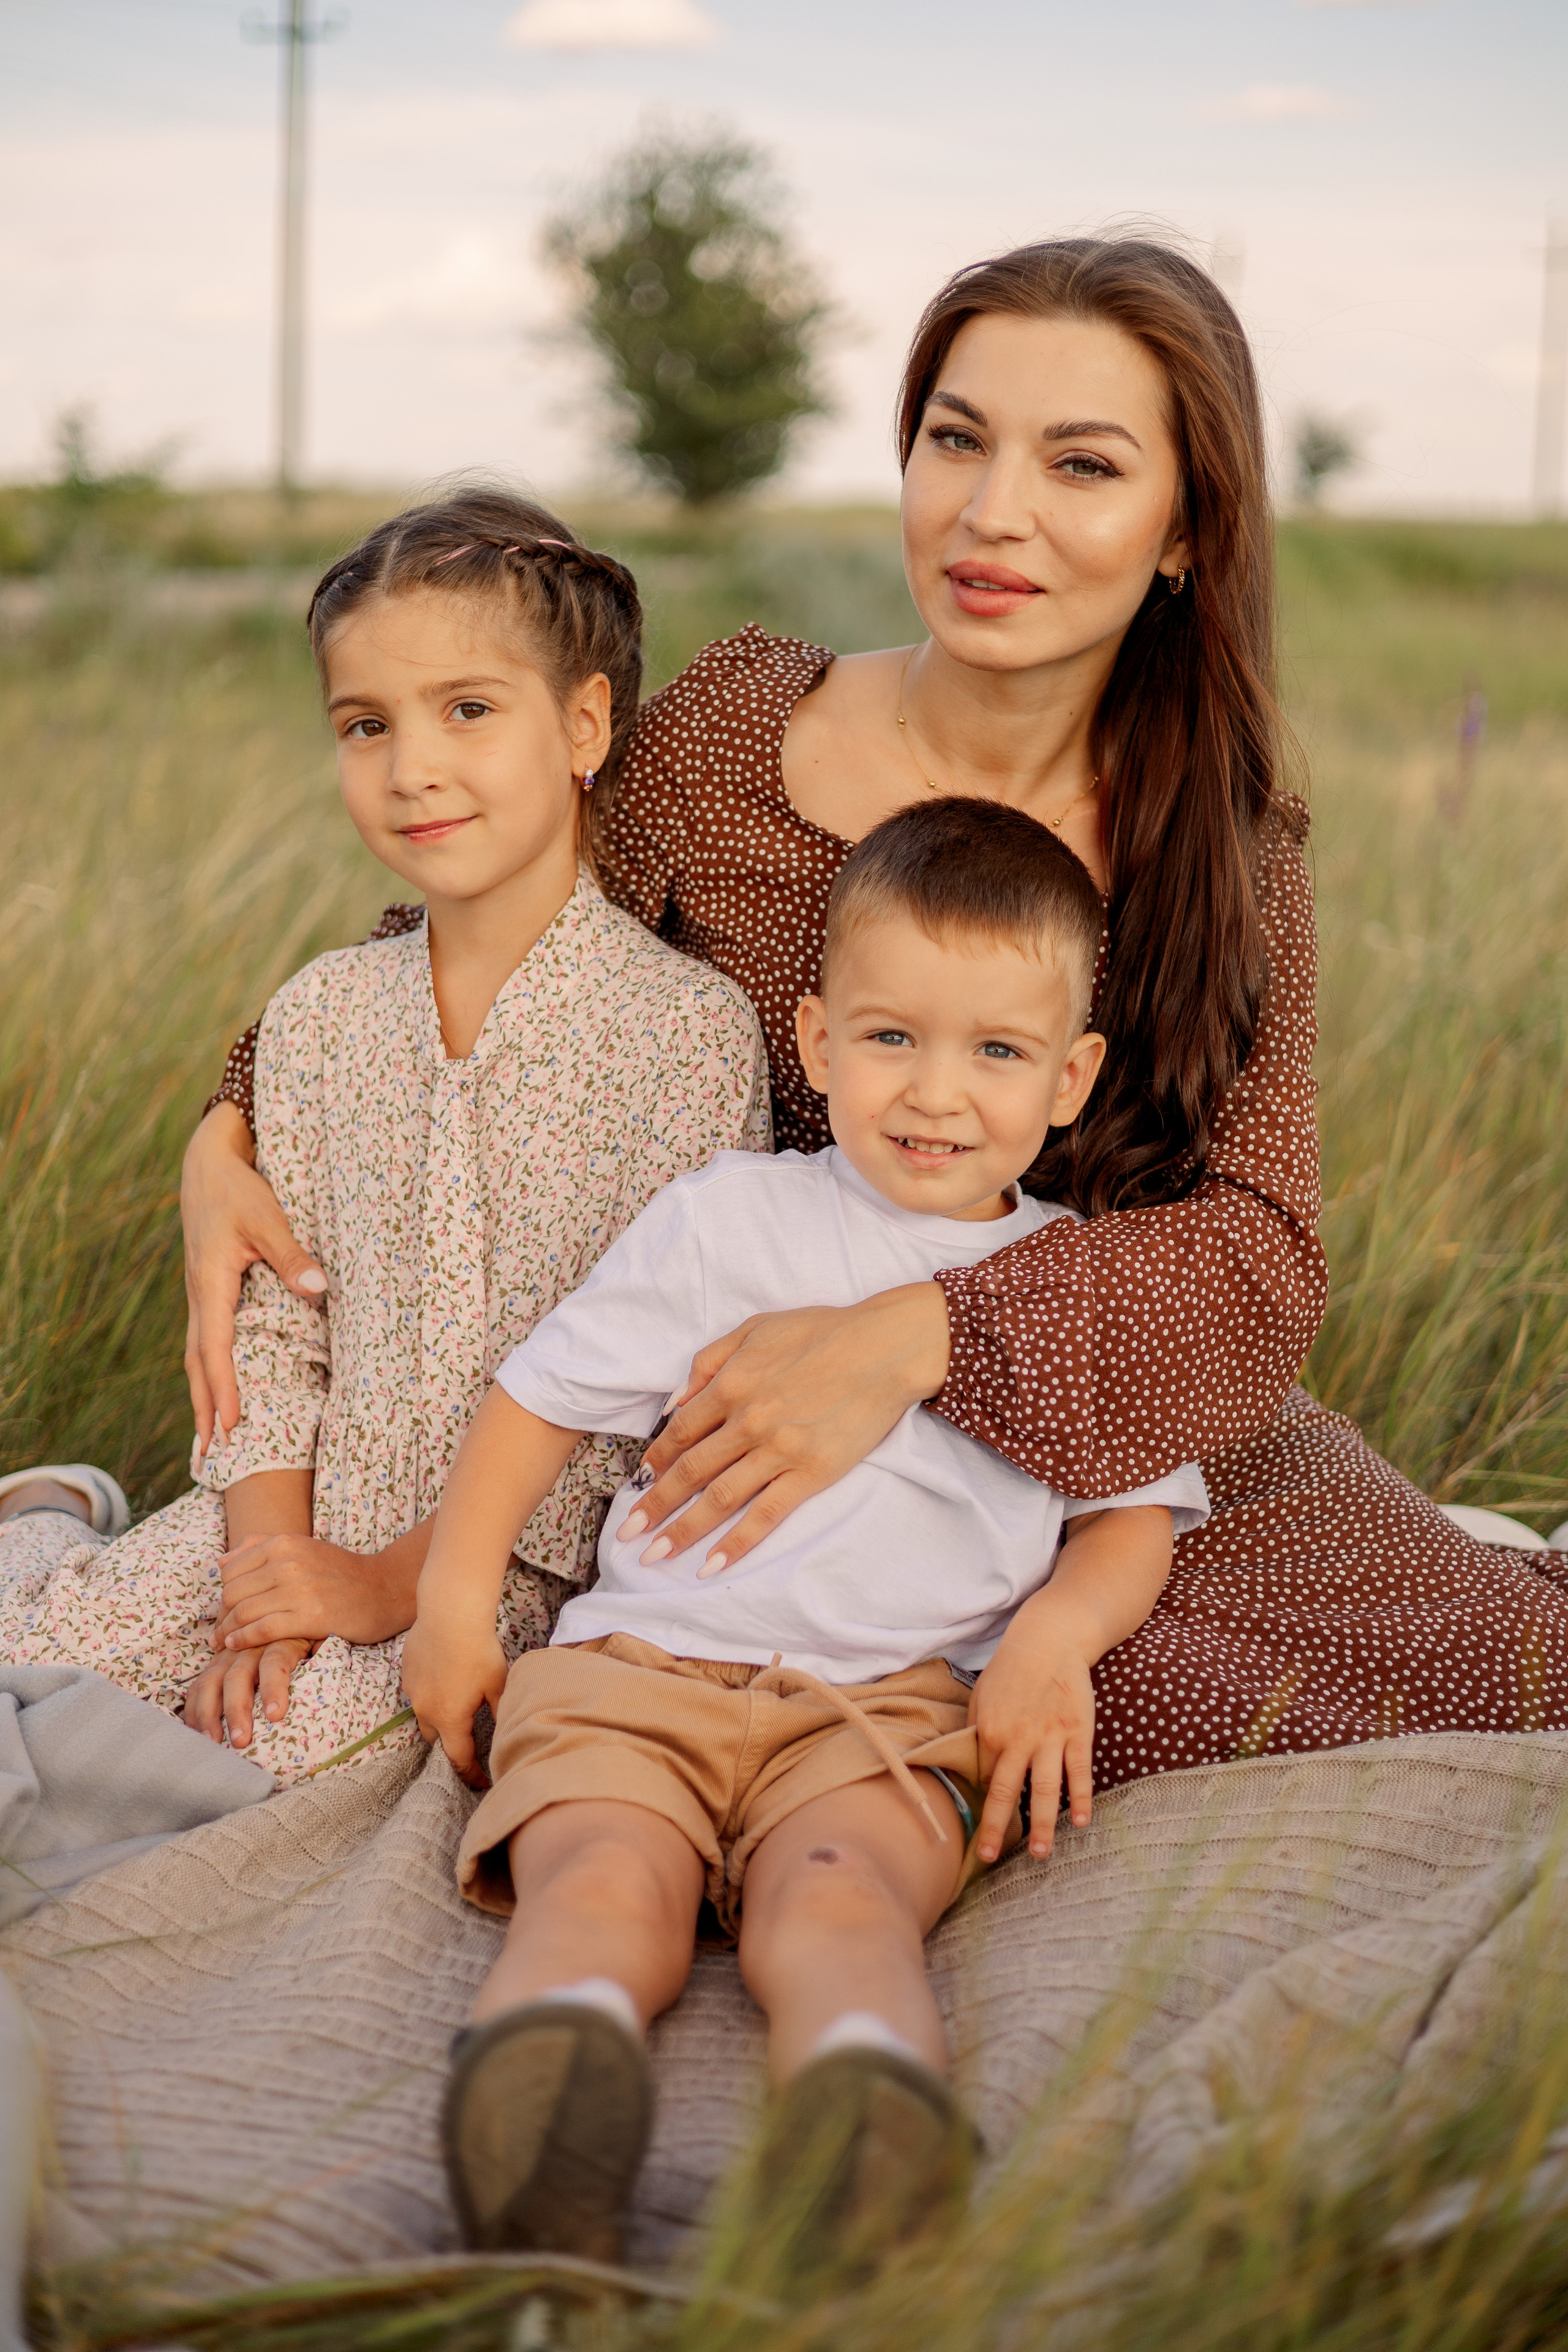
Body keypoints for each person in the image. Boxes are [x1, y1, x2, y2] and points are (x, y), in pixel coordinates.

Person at [180, 233, 1568, 1789]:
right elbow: (483, 933)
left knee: (1454, 1677)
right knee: (864, 1696)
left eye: (1082, 465)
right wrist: (231, 1119)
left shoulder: (1222, 847)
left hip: (1088, 1436)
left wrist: (920, 1337)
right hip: (719, 1409)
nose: (992, 513)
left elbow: (1254, 1249)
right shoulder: (738, 727)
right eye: (954, 439)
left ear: (1185, 530)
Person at [403, 796, 1208, 2274]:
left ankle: (863, 2109)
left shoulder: (1063, 1287)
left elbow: (1129, 1520)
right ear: (817, 1038)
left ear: (1073, 1078)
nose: (936, 1094)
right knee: (603, 1879)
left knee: (839, 1902)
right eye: (890, 1038)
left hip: (884, 1710)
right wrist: (454, 1604)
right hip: (644, 1667)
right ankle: (546, 2093)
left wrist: (1049, 1644)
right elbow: (538, 1401)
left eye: (997, 1052)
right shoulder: (731, 1221)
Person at [0, 492, 768, 1780]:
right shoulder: (319, 1016)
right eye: (366, 726)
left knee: (277, 1756)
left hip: (502, 1565)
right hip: (286, 1517)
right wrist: (262, 1572)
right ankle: (47, 1513)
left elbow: (653, 1386)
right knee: (45, 1656)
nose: (411, 767)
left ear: (583, 726)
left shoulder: (686, 1033)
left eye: (467, 710)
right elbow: (277, 1323)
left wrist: (388, 1585)